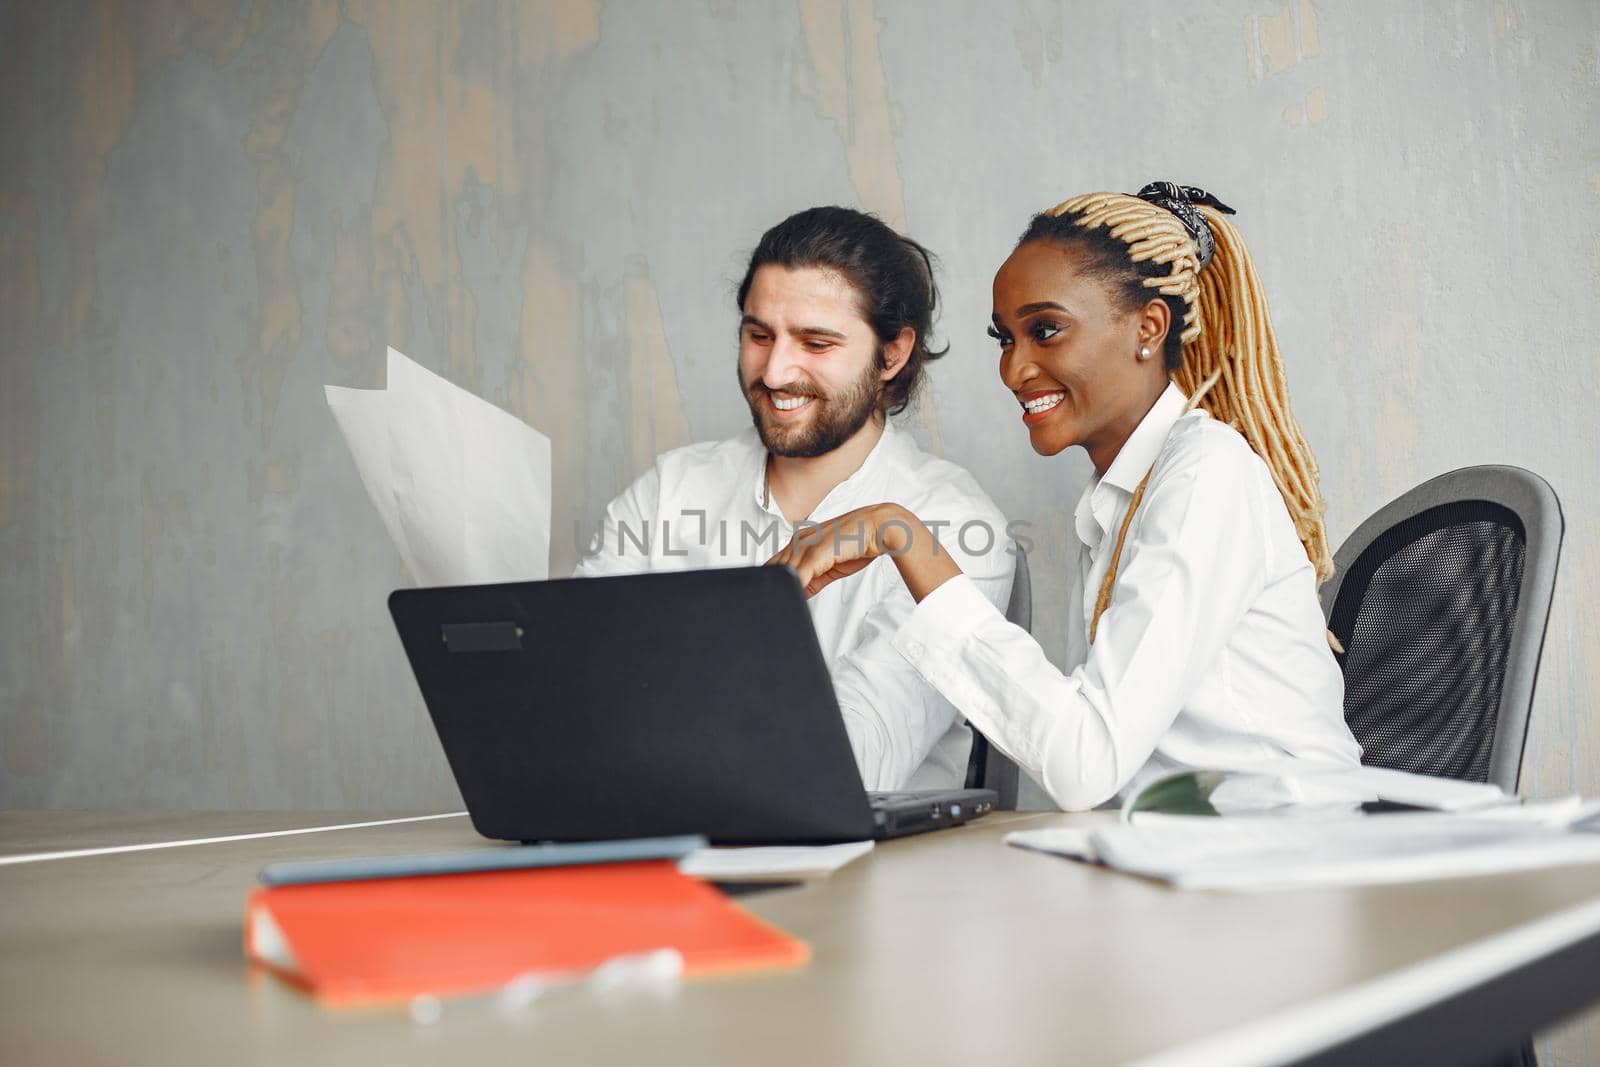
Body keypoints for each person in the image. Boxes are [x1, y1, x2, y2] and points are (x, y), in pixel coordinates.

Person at [771, 182, 1362, 810]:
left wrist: (906, 540)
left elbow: (1086, 761)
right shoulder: (1126, 496)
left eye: (1045, 330)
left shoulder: (1205, 477)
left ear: (1148, 328)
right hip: (1189, 863)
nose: (1014, 369)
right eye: (1005, 338)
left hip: (1288, 866)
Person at [575, 206, 1015, 791]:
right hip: (664, 851)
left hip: (875, 874)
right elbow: (570, 701)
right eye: (759, 335)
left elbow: (852, 765)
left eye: (816, 342)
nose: (777, 371)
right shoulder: (670, 491)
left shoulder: (955, 526)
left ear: (892, 354)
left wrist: (662, 699)